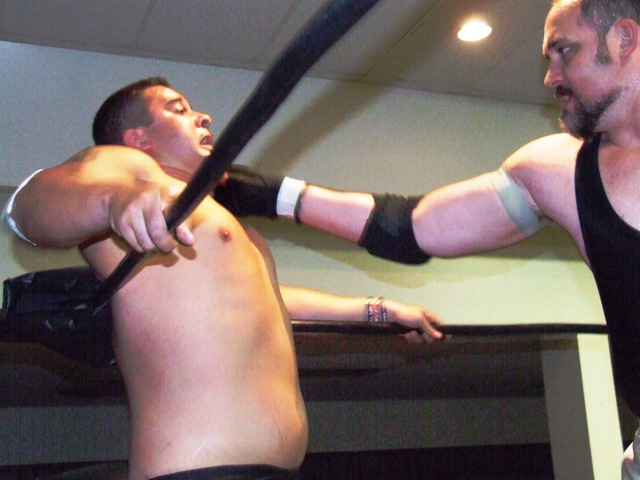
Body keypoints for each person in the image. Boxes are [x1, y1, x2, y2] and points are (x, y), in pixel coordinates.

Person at [203, 0, 640, 477]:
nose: (550, 77)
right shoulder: (559, 172)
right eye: (547, 58)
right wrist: (271, 196)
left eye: (564, 51)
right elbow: (410, 227)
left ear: (623, 39)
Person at [5, 77, 443, 480]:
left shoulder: (219, 219)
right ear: (139, 140)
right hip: (195, 471)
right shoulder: (124, 169)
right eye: (178, 109)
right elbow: (25, 207)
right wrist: (112, 200)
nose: (203, 117)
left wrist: (376, 310)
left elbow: (268, 301)